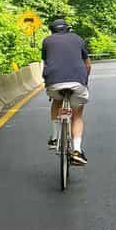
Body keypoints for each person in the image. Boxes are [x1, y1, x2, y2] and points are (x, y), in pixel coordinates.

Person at [42, 18, 92, 166]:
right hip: (77, 82)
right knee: (77, 114)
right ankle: (76, 150)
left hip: (54, 82)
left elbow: (46, 63)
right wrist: (84, 81)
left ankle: (56, 137)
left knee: (57, 101)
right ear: (68, 29)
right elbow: (87, 64)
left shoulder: (47, 41)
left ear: (52, 30)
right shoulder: (77, 38)